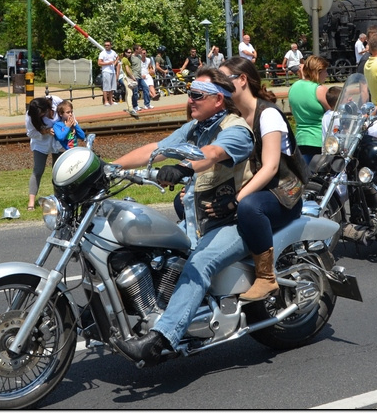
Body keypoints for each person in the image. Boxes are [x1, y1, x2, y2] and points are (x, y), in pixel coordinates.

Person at [110, 68, 254, 365]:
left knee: (200, 264)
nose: (190, 100)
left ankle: (161, 339)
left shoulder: (236, 129)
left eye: (197, 95)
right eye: (189, 94)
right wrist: (109, 167)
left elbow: (213, 154)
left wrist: (184, 168)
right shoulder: (195, 128)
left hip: (231, 222)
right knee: (148, 248)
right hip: (196, 223)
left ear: (218, 100)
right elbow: (156, 150)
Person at [219, 57, 304, 301]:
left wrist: (237, 198)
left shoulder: (268, 115)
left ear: (242, 80)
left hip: (281, 193)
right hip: (252, 187)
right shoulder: (232, 115)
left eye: (225, 80)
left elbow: (270, 167)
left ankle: (266, 278)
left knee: (249, 207)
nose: (220, 87)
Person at [287, 54, 331, 164]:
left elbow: (292, 111)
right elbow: (333, 113)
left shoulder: (293, 87)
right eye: (325, 71)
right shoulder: (320, 89)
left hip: (301, 139)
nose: (327, 74)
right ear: (318, 72)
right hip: (319, 139)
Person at [25, 94, 65, 211]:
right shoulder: (30, 116)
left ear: (46, 108)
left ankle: (60, 199)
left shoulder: (56, 101)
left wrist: (70, 126)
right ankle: (31, 202)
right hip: (40, 144)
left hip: (58, 142)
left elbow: (67, 111)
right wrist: (45, 131)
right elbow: (30, 133)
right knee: (38, 170)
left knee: (57, 171)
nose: (41, 116)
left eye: (42, 114)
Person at [97, 39, 119, 106]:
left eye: (108, 45)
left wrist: (115, 63)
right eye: (105, 45)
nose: (106, 46)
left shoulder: (113, 52)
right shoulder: (102, 53)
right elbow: (99, 63)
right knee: (106, 87)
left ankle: (111, 101)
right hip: (106, 71)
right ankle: (106, 101)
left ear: (111, 45)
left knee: (112, 87)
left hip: (112, 71)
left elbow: (117, 57)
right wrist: (108, 63)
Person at [130, 45, 152, 112]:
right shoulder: (131, 57)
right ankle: (135, 106)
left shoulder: (139, 56)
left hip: (140, 76)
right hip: (135, 76)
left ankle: (147, 104)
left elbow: (146, 60)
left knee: (146, 88)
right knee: (135, 92)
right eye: (140, 49)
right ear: (136, 50)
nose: (141, 50)